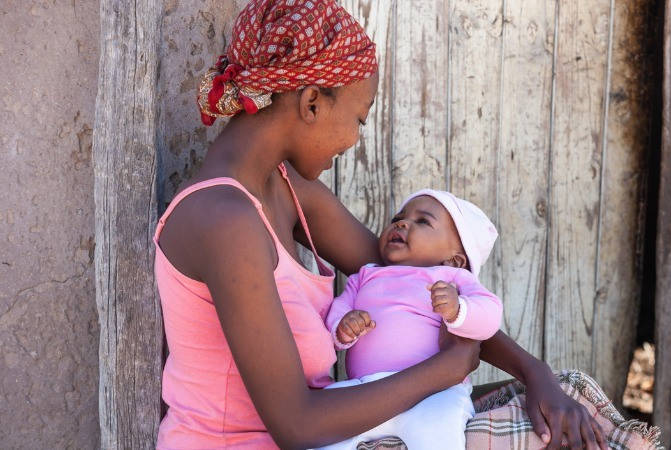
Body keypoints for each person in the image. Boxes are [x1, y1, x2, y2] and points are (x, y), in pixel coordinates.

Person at [154, 1, 608, 449]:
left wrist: (537, 375)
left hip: (338, 434)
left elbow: (412, 284)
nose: (353, 140)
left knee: (572, 407)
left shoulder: (287, 188)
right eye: (358, 119)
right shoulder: (224, 219)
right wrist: (446, 370)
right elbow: (298, 426)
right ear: (311, 103)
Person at [320, 190, 503, 449]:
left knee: (439, 431)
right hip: (365, 393)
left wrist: (458, 309)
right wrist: (344, 327)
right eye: (399, 217)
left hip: (434, 393)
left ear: (454, 259)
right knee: (324, 418)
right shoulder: (366, 276)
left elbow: (491, 315)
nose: (401, 223)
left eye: (423, 221)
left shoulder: (452, 279)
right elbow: (337, 311)